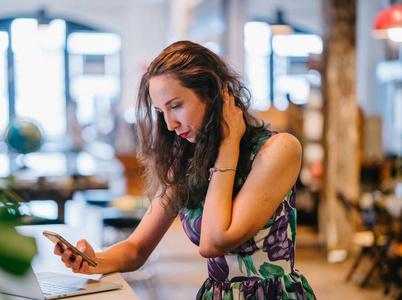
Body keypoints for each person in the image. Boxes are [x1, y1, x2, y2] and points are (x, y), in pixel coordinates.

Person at [55, 40, 316, 299]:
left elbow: (213, 242)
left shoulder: (278, 149)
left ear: (213, 94)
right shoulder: (188, 160)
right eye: (161, 111)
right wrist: (93, 260)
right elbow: (137, 249)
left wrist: (228, 144)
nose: (169, 124)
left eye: (176, 106)